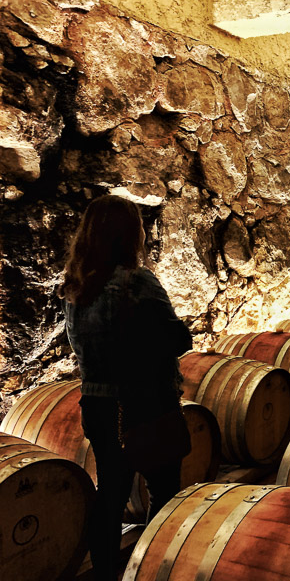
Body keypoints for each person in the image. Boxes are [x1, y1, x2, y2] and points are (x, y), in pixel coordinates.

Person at [60, 194, 193, 580]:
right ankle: (151, 569)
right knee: (164, 491)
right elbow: (177, 339)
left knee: (111, 496)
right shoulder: (137, 281)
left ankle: (105, 574)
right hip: (145, 403)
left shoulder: (74, 288)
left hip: (98, 406)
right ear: (129, 235)